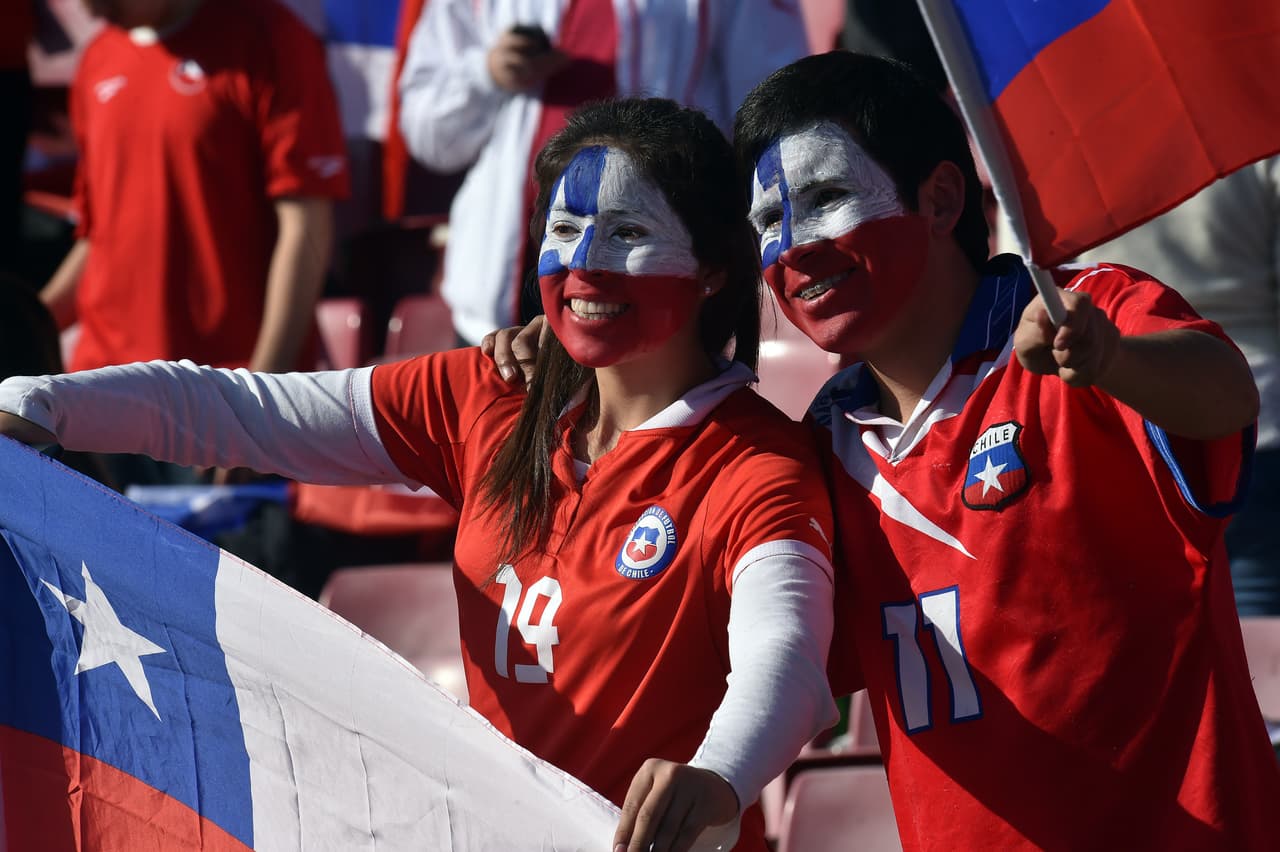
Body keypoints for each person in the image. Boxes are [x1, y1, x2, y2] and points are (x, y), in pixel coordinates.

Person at [0, 98, 838, 852]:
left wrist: (718, 777)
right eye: (562, 228)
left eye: (627, 232)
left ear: (714, 268)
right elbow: (239, 410)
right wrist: (40, 403)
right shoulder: (493, 395)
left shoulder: (757, 463)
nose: (583, 263)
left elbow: (787, 656)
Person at [732, 52, 1280, 849]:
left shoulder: (1086, 323)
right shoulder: (811, 449)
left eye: (826, 199)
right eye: (763, 227)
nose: (789, 249)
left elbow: (1229, 398)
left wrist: (1115, 361)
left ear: (943, 197)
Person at [396, 0, 809, 346]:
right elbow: (430, 139)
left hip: (658, 282)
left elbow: (771, 118)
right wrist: (486, 75)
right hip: (498, 295)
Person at [41, 0, 348, 375]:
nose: (90, 10)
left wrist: (263, 386)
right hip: (99, 381)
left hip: (219, 386)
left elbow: (306, 227)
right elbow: (100, 237)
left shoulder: (270, 39)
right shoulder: (98, 58)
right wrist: (24, 323)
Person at [1076, 157, 1280, 617]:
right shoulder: (1253, 127)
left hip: (1120, 426)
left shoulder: (1063, 136)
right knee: (1259, 641)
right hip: (1253, 425)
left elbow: (1031, 290)